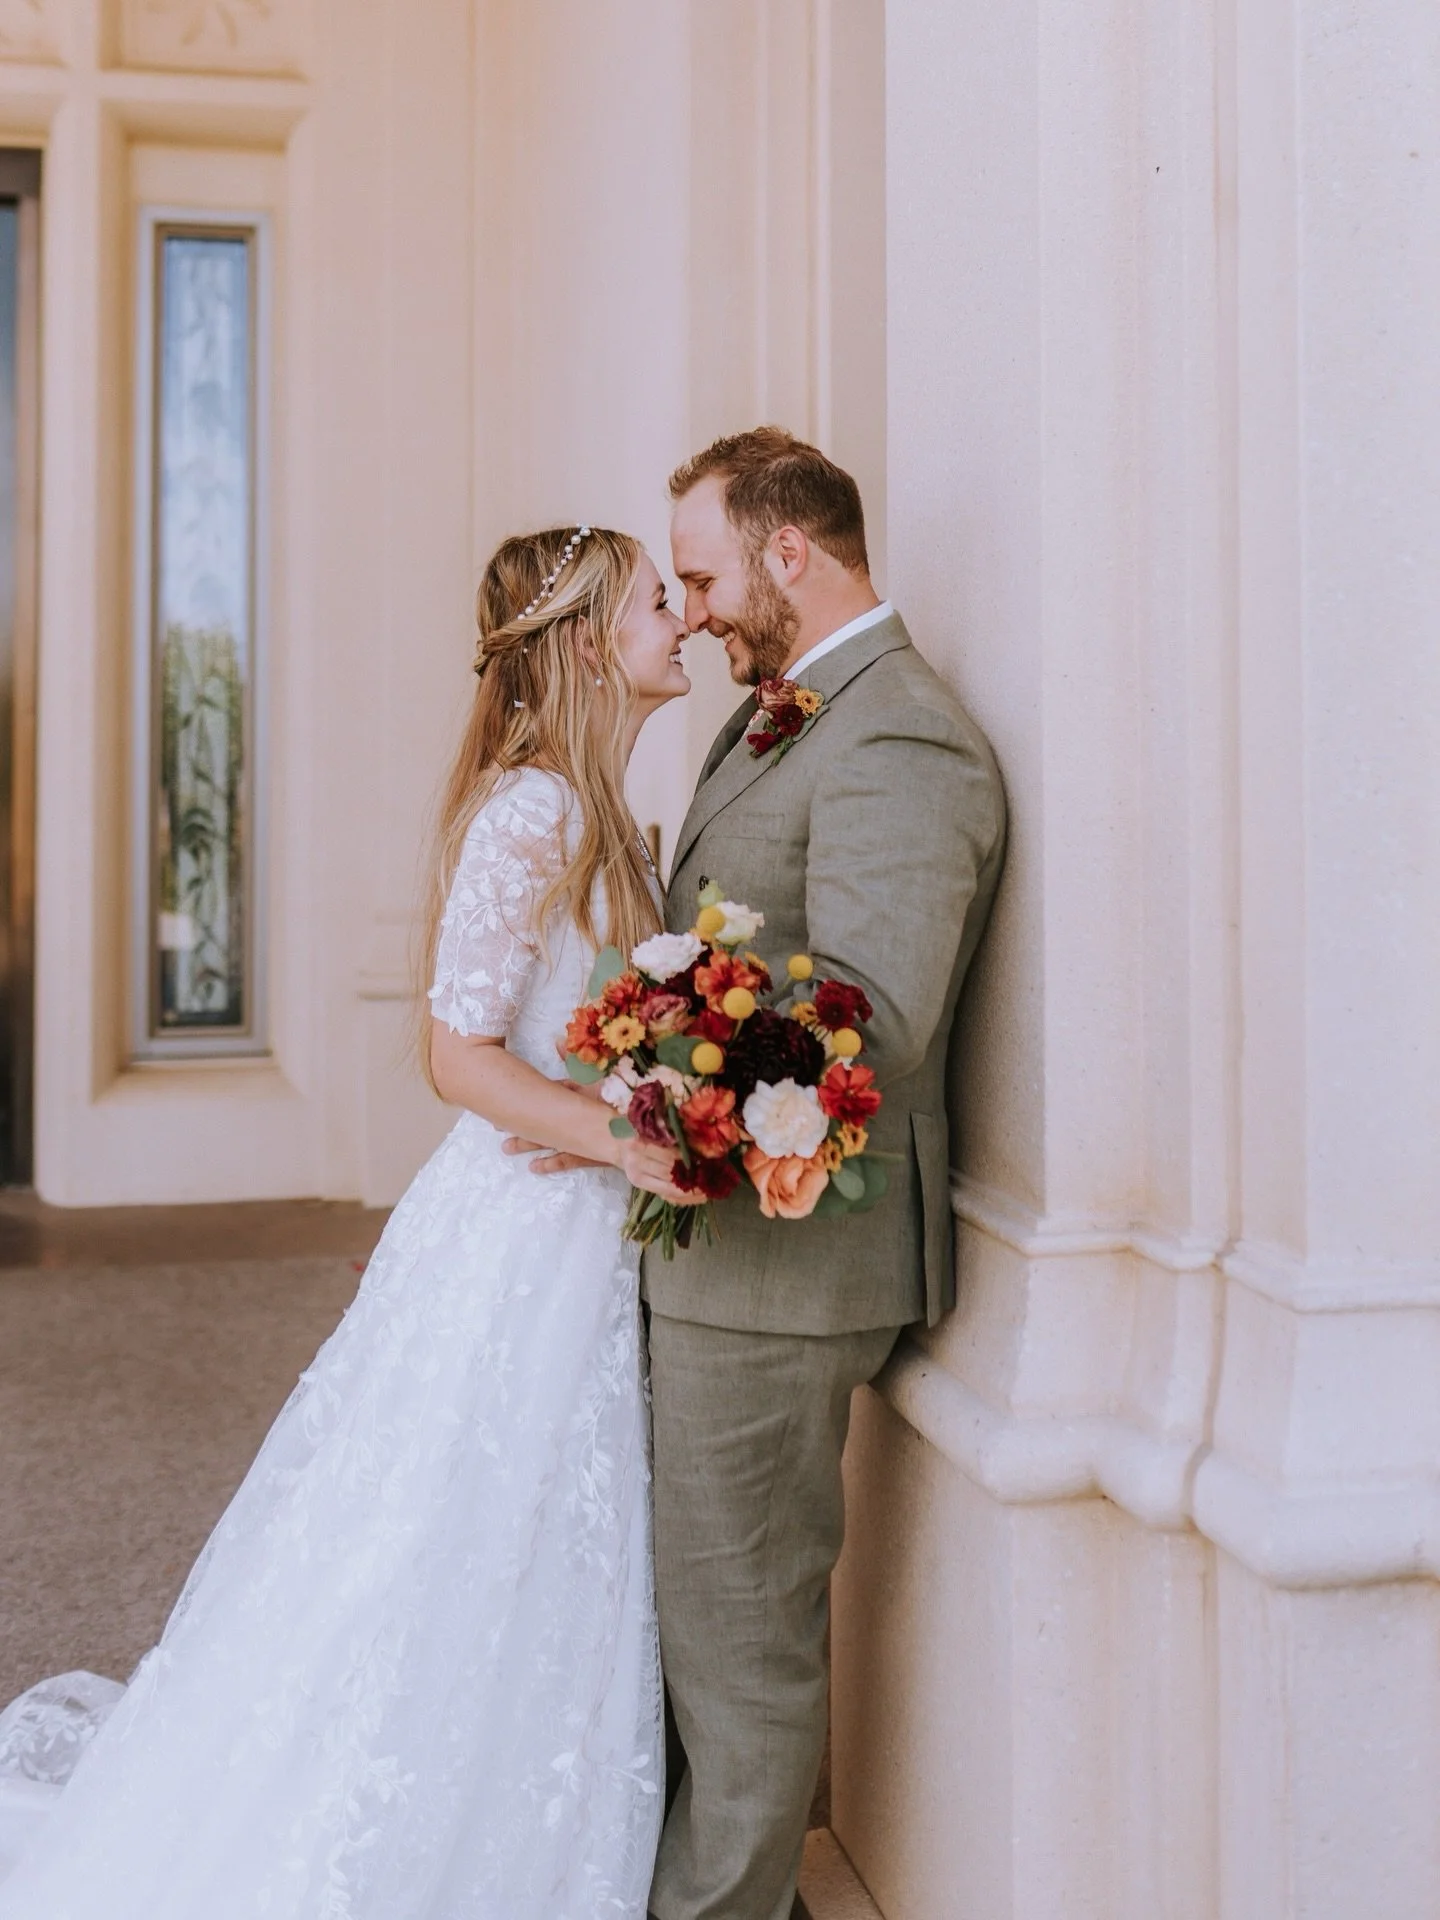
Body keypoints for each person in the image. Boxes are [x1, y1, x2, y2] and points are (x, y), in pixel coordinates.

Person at [0, 526, 692, 1920]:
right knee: (453, 1531)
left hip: (573, 1221)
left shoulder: (601, 805)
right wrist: (622, 1135)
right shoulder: (536, 815)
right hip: (526, 1234)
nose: (680, 617)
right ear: (579, 643)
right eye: (654, 601)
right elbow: (457, 1052)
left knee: (536, 1539)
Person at [515, 428, 1006, 1920]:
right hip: (724, 1249)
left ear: (792, 554)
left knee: (739, 1644)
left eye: (707, 574)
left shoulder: (897, 734)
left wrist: (656, 1035)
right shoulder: (788, 713)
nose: (699, 606)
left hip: (789, 1274)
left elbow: (873, 1012)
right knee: (689, 1624)